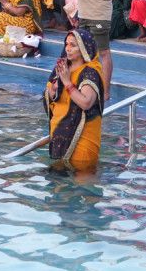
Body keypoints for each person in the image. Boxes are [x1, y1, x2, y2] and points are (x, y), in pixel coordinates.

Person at [43, 28, 104, 171]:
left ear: (84, 48)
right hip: (60, 131)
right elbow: (50, 94)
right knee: (59, 186)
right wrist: (53, 90)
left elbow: (86, 103)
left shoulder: (90, 72)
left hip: (82, 135)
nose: (68, 49)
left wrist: (67, 83)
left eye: (73, 45)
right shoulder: (62, 67)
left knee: (83, 184)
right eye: (67, 44)